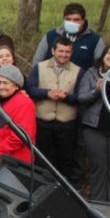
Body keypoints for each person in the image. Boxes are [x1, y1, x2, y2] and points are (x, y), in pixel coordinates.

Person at [26, 37, 82, 184]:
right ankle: (39, 187)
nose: (64, 54)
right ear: (53, 51)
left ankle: (64, 190)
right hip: (43, 122)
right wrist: (47, 93)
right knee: (42, 159)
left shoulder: (78, 71)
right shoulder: (40, 67)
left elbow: (81, 96)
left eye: (67, 52)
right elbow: (30, 89)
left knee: (65, 160)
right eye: (61, 51)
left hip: (66, 124)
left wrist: (67, 97)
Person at [76, 41, 110, 202]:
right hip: (94, 129)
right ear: (103, 56)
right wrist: (96, 90)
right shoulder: (91, 73)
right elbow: (81, 98)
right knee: (98, 167)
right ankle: (99, 205)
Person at [32, 2, 106, 70]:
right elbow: (37, 61)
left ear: (83, 21)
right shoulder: (50, 36)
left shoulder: (95, 40)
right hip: (51, 81)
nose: (72, 22)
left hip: (82, 82)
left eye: (76, 20)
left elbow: (100, 66)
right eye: (68, 19)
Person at [0, 64, 37, 165]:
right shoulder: (0, 100)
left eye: (5, 83)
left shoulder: (24, 103)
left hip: (13, 162)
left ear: (16, 86)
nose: (1, 86)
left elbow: (19, 136)